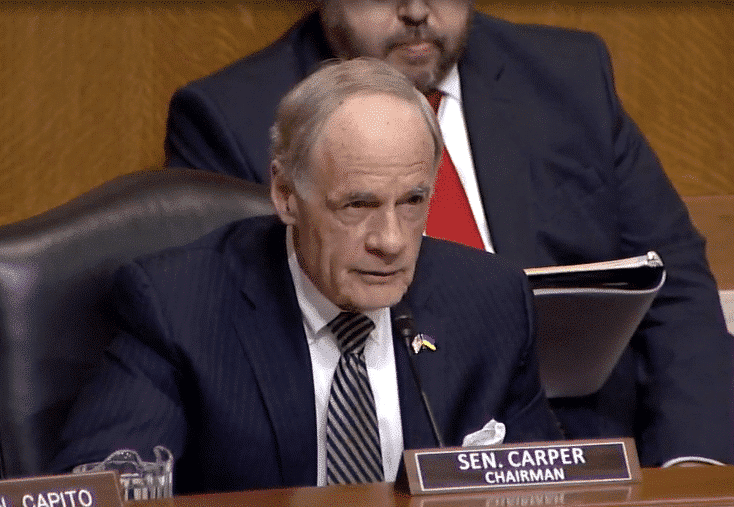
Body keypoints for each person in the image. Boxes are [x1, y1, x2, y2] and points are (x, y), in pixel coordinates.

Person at [163, 1, 733, 467]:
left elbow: (676, 288)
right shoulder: (233, 115)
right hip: (384, 445)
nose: (417, 11)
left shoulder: (569, 77)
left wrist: (692, 467)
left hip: (594, 448)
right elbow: (229, 335)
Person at [52, 58, 561, 494]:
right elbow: (106, 485)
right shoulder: (179, 307)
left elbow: (552, 488)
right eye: (358, 205)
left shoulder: (491, 301)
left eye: (412, 202)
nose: (391, 241)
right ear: (286, 195)